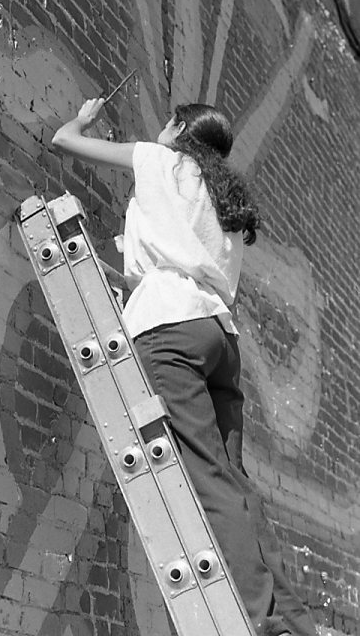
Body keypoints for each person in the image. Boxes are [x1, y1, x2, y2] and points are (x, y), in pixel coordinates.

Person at [52, 98, 317, 636]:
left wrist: (83, 117)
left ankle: (265, 625)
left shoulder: (158, 159)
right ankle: (293, 620)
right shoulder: (227, 200)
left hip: (170, 329)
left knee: (208, 483)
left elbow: (64, 140)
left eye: (167, 123)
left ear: (177, 128)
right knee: (235, 483)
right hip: (219, 336)